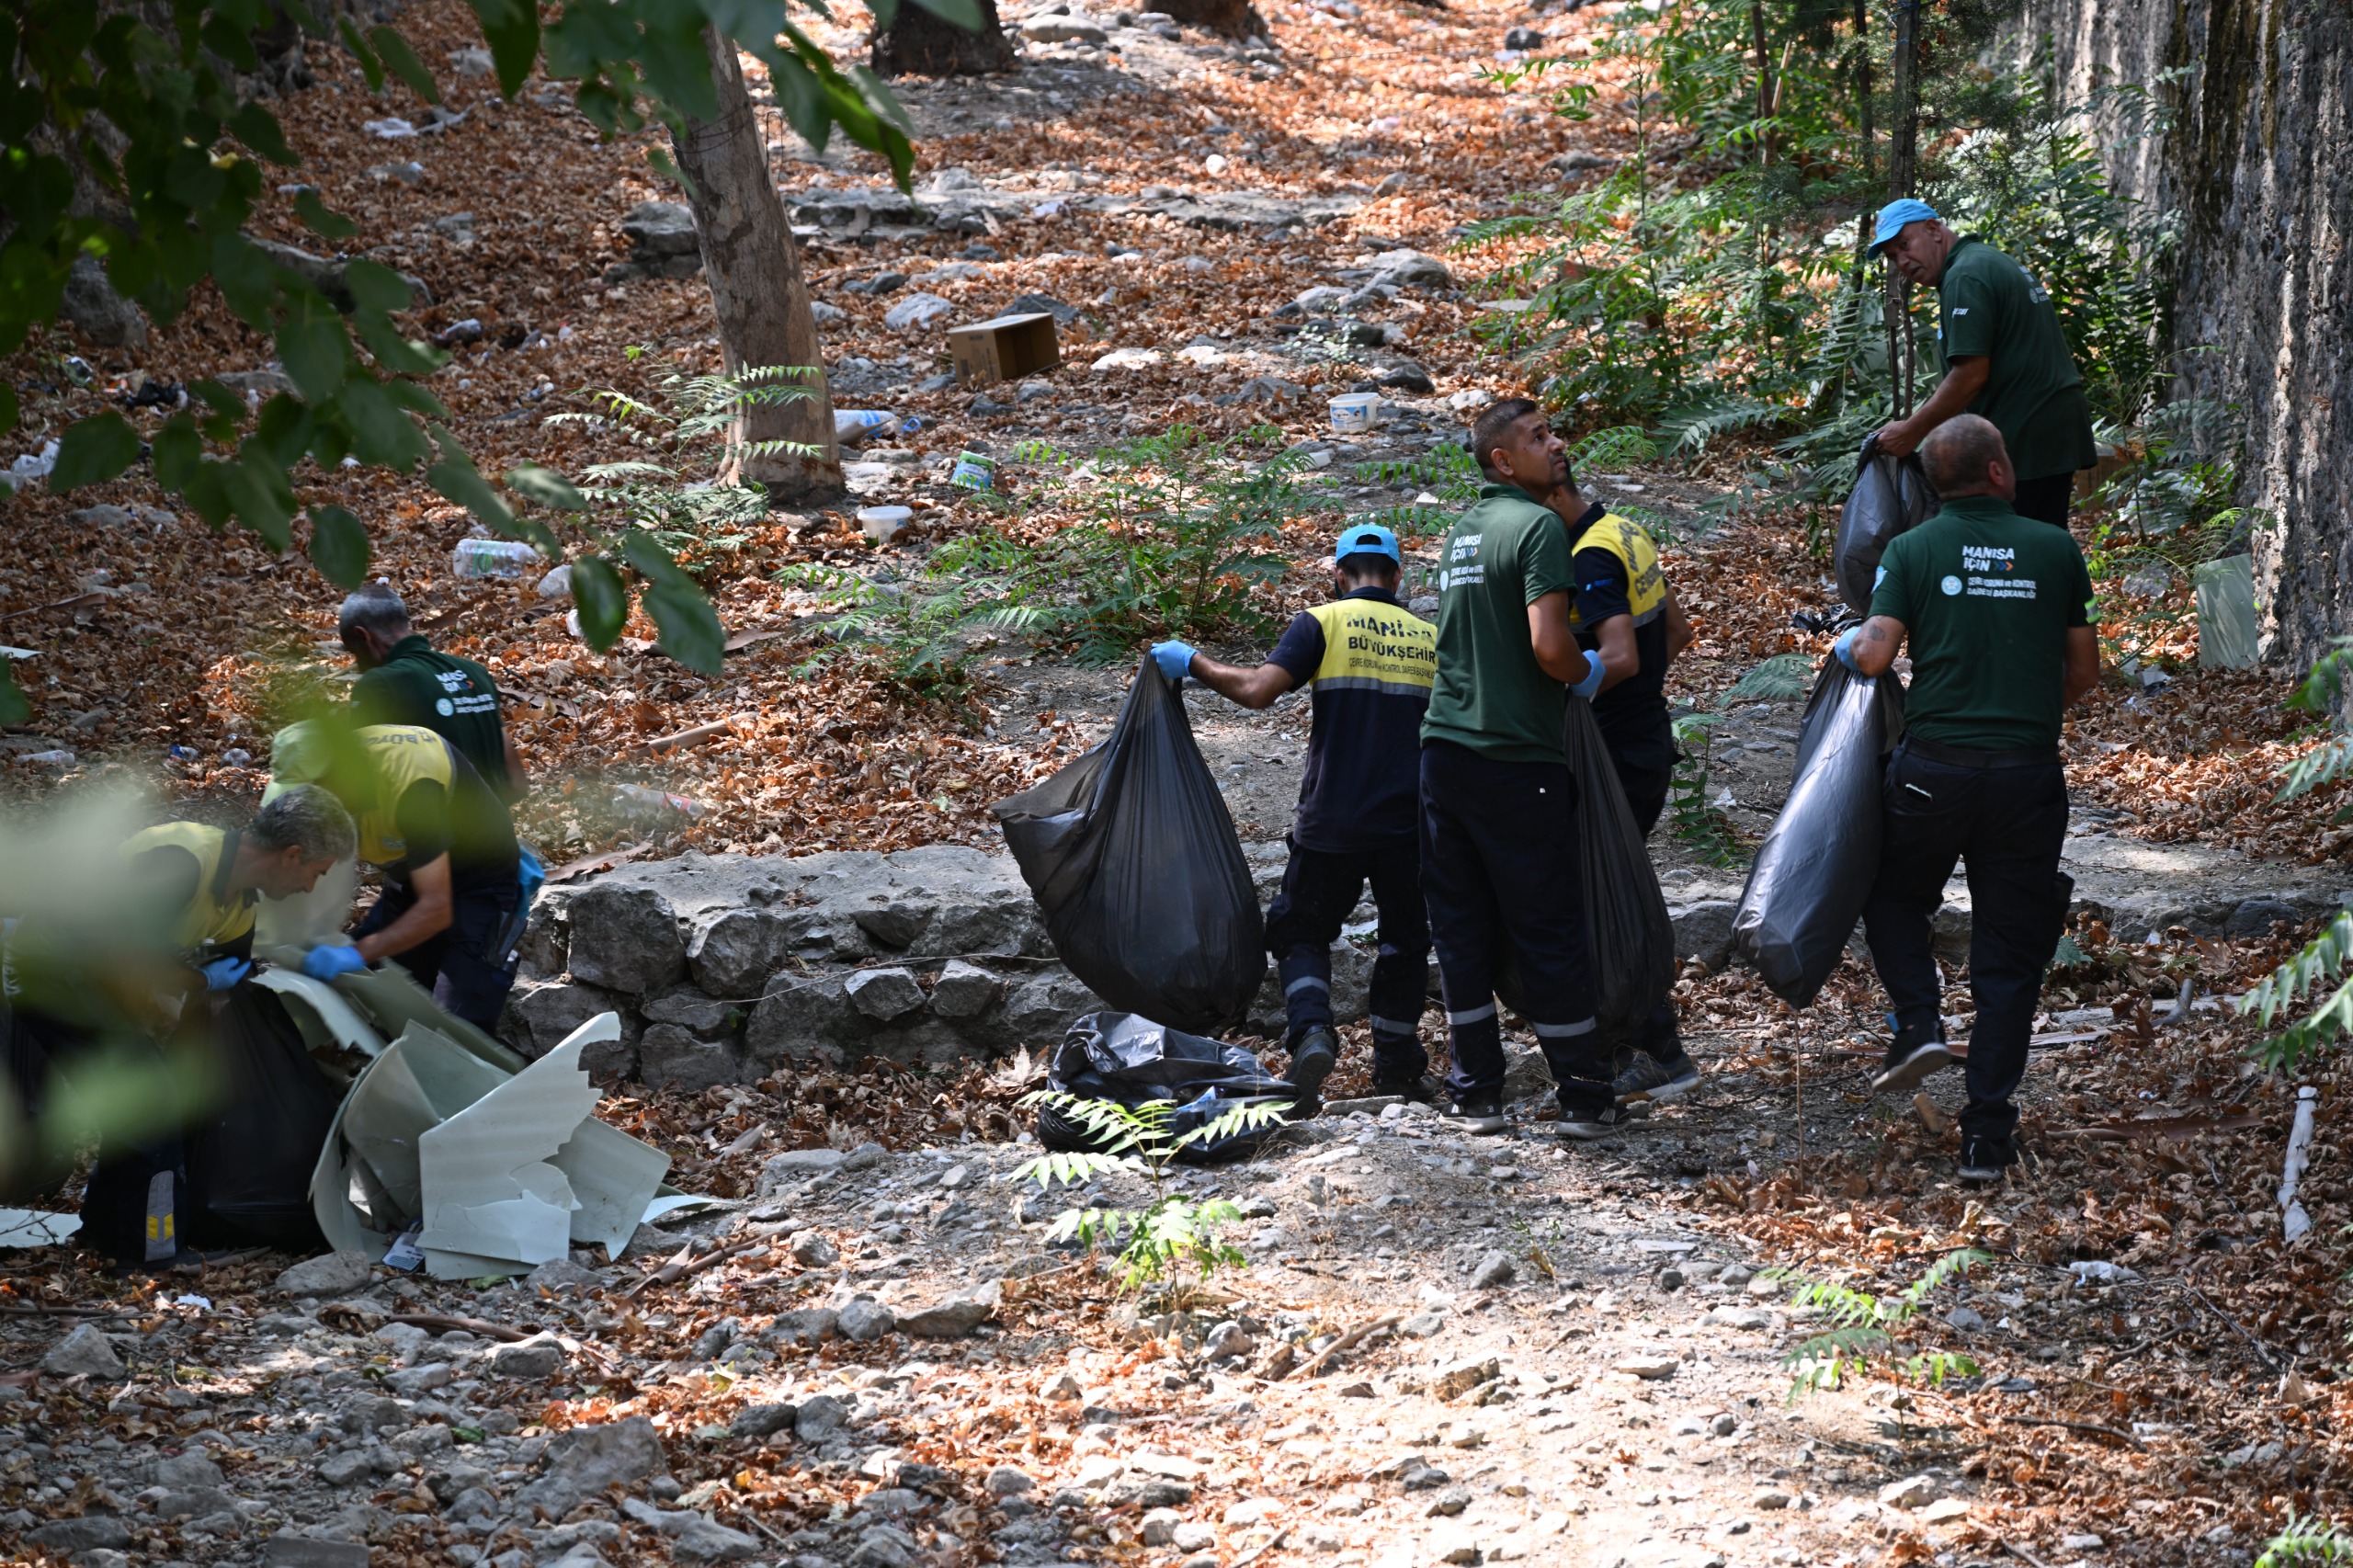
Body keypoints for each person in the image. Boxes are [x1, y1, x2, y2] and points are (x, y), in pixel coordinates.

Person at [1833, 414, 2099, 1183]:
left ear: (1935, 482)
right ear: (1997, 472)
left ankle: (1918, 1020)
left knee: (1891, 899)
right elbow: (2084, 673)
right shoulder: (2054, 549)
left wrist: (1842, 643)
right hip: (2024, 774)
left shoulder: (1913, 550)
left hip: (1931, 772)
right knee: (2010, 955)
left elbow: (1876, 652)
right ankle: (1987, 1134)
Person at [1, 787, 356, 1268]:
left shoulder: (238, 906)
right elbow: (116, 955)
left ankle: (106, 1236)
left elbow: (212, 992)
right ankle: (153, 1255)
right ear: (292, 855)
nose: (312, 888)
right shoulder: (182, 861)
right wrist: (191, 980)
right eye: (317, 873)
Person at [1149, 523, 1439, 1103]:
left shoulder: (1324, 621)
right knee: (1405, 941)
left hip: (1334, 818)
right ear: (1398, 576)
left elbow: (1258, 691)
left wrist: (1194, 662)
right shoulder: (1430, 637)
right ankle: (1398, 1068)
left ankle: (1311, 1031)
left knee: (1301, 928)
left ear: (1338, 574)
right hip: (1412, 822)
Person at [1420, 398, 1618, 1139]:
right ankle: (1584, 1096)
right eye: (1538, 438)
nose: (1556, 444)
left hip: (1443, 754)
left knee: (1463, 926)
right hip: (1514, 756)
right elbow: (1547, 646)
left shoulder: (1462, 533)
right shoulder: (1539, 528)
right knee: (1547, 925)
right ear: (1503, 460)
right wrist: (1586, 669)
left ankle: (1476, 1093)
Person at [1532, 466, 1699, 1106]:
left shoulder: (1590, 554)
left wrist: (1576, 706)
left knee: (1596, 904)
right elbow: (1677, 632)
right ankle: (1646, 1049)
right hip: (1644, 741)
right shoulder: (1626, 530)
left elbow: (1621, 657)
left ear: (1553, 496)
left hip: (1613, 756)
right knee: (1610, 895)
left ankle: (1649, 1051)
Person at [267, 721, 527, 1031]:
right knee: (396, 1003)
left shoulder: (412, 784)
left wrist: (356, 952)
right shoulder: (301, 779)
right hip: (408, 872)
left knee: (458, 1023)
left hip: (479, 879)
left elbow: (436, 909)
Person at [1866, 199, 2098, 531]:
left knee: (2013, 550)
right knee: (2040, 540)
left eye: (1905, 245)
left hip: (2027, 431)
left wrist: (1913, 430)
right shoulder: (1984, 261)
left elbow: (1971, 374)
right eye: (1892, 256)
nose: (1902, 261)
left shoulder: (1965, 275)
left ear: (1933, 229)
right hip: (2047, 426)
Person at [341, 585, 529, 802]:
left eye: (353, 653)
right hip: (498, 832)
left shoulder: (379, 684)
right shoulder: (475, 672)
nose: (357, 665)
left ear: (363, 637)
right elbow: (517, 785)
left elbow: (359, 788)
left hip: (429, 834)